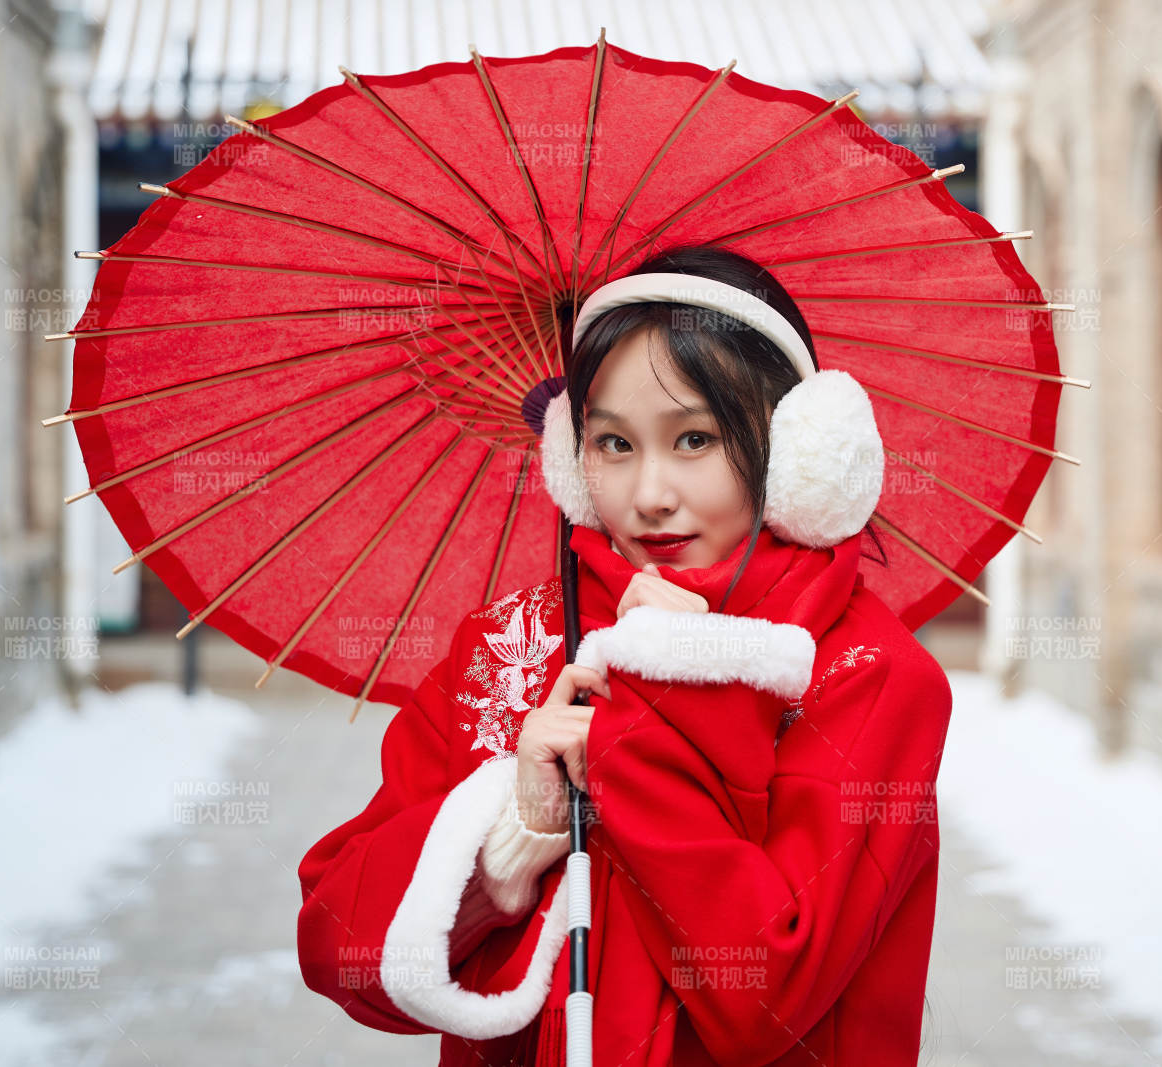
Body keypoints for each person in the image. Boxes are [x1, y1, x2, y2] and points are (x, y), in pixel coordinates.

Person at [296, 243, 954, 1065]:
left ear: (797, 458)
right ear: (570, 460)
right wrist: (515, 831)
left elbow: (766, 1001)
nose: (648, 496)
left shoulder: (868, 676)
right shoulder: (513, 648)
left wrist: (655, 710)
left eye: (696, 439)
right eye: (612, 445)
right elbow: (336, 946)